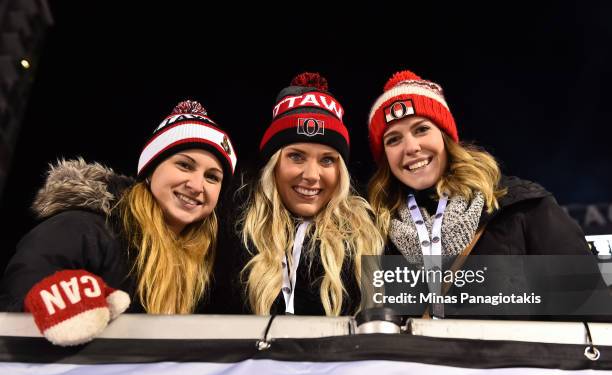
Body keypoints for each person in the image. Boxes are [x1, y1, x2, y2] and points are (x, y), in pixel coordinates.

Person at [366, 69, 609, 319]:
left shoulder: (522, 207)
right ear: (384, 157)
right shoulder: (375, 233)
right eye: (393, 139)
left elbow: (590, 309)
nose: (411, 147)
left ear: (446, 137)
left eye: (421, 129)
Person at [0, 100, 237, 344]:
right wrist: (55, 301)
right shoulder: (87, 227)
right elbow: (18, 294)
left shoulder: (209, 264)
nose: (197, 186)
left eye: (212, 177)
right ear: (151, 169)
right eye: (184, 165)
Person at [226, 72, 383, 316]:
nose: (311, 174)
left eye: (327, 160)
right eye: (296, 156)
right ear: (273, 164)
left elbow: (414, 317)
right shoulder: (236, 228)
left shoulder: (369, 235)